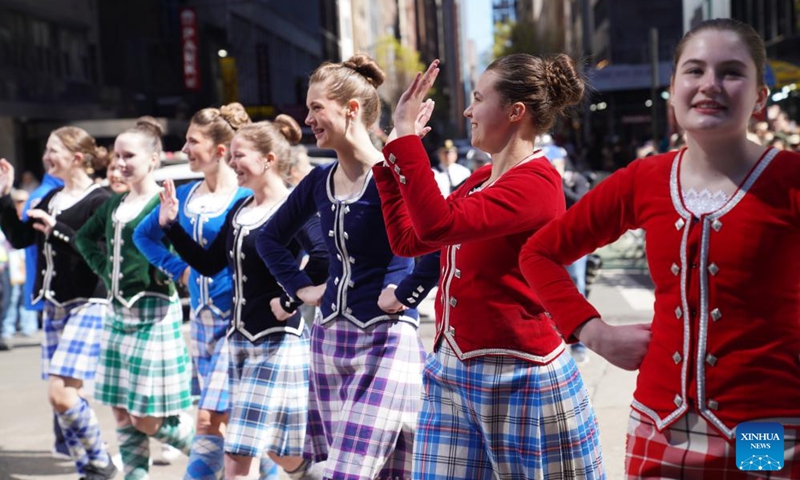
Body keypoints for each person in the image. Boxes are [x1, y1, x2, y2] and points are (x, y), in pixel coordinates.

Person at [520, 18, 800, 479]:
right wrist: (593, 333)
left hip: (764, 428)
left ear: (760, 98)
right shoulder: (643, 179)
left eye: (731, 72)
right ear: (673, 87)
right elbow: (539, 253)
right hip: (661, 429)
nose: (710, 84)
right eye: (694, 71)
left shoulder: (789, 178)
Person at [373, 56, 605, 479]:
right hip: (451, 369)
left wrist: (407, 141)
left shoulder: (537, 183)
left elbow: (437, 223)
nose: (467, 110)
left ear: (516, 112)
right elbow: (411, 240)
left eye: (478, 99)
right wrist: (392, 161)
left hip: (520, 376)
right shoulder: (480, 178)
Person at [258, 54, 440, 480]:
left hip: (387, 339)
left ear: (351, 110)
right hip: (328, 343)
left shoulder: (394, 173)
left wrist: (402, 290)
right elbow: (269, 238)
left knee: (348, 472)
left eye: (317, 107)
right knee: (384, 473)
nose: (308, 119)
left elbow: (431, 243)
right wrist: (302, 288)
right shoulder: (318, 181)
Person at [158, 116, 329, 480]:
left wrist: (289, 300)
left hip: (276, 341)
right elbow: (208, 262)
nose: (232, 163)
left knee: (242, 452)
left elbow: (323, 259)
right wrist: (171, 226)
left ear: (268, 159)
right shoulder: (241, 210)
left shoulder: (293, 207)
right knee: (244, 437)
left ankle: (309, 471)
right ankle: (309, 472)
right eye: (231, 156)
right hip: (235, 339)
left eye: (240, 156)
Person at [134, 103, 284, 480]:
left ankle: (280, 470)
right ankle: (279, 472)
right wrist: (179, 269)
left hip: (240, 321)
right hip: (200, 322)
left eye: (192, 141)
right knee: (227, 417)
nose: (185, 149)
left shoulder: (243, 199)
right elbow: (145, 235)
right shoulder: (183, 195)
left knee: (213, 416)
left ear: (220, 149)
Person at [75, 117, 195, 480]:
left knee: (145, 419)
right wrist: (106, 271)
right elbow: (84, 239)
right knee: (122, 414)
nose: (120, 163)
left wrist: (162, 271)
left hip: (154, 312)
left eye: (129, 155)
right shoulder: (114, 204)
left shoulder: (164, 202)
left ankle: (214, 451)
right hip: (117, 314)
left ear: (153, 160)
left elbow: (185, 255)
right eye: (117, 156)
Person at [0, 128, 116, 480]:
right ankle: (90, 470)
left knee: (62, 395)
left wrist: (59, 232)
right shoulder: (49, 199)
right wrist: (4, 197)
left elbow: (103, 256)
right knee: (62, 399)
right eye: (47, 151)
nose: (46, 157)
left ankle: (101, 461)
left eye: (53, 151)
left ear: (76, 158)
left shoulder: (103, 200)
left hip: (90, 303)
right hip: (55, 305)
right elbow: (20, 239)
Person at [0, 189, 39, 344]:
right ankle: (7, 328)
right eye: (18, 201)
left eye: (24, 201)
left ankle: (28, 327)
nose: (21, 204)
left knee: (28, 295)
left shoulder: (32, 217)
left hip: (27, 263)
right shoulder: (7, 216)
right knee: (11, 297)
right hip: (10, 264)